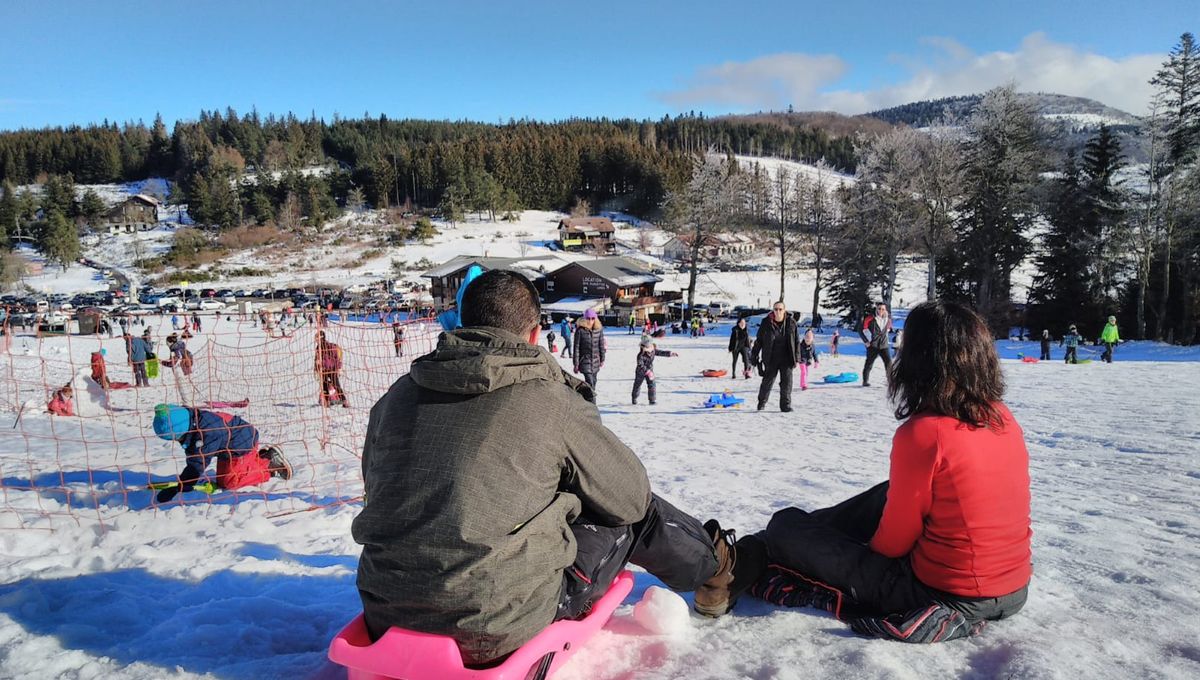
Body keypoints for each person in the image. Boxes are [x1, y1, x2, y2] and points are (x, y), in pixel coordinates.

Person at [352, 269, 736, 666]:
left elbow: (375, 484)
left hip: (384, 611)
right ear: (535, 335)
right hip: (493, 626)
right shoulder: (549, 400)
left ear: (464, 324)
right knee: (629, 508)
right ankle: (715, 567)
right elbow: (631, 500)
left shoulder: (397, 395)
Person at [722, 301, 1032, 644]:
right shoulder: (1002, 417)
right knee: (889, 492)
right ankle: (798, 535)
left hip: (938, 592)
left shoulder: (925, 434)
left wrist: (847, 552)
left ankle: (771, 545)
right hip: (1014, 589)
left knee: (784, 524)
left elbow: (891, 545)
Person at [151, 403, 291, 503]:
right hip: (229, 445)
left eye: (177, 438)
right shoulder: (193, 419)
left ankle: (268, 465)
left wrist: (181, 487)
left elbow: (197, 463)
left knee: (229, 483)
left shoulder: (206, 434)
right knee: (223, 478)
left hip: (242, 444)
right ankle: (255, 460)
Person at [751, 301, 799, 412]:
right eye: (775, 309)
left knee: (787, 382)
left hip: (787, 357)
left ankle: (785, 405)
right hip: (771, 357)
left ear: (784, 311)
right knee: (767, 382)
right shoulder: (766, 322)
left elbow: (796, 341)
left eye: (780, 309)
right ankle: (761, 403)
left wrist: (797, 357)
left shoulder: (791, 323)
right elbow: (759, 341)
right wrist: (754, 355)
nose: (778, 312)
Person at [632, 337, 677, 405]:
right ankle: (634, 398)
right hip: (640, 372)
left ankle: (652, 400)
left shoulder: (652, 350)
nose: (650, 345)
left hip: (650, 370)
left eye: (650, 343)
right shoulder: (640, 354)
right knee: (637, 385)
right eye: (648, 343)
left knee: (652, 385)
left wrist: (670, 353)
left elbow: (661, 352)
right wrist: (647, 372)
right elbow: (640, 365)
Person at [860, 302, 893, 387]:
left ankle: (890, 381)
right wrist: (866, 341)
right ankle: (865, 381)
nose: (881, 310)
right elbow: (860, 330)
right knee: (869, 363)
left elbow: (888, 330)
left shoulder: (888, 319)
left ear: (885, 310)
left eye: (883, 309)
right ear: (876, 309)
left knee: (888, 363)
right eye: (879, 308)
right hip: (873, 345)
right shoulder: (870, 318)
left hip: (884, 345)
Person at [572, 308, 606, 390]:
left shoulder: (598, 330)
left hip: (595, 361)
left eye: (593, 318)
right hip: (584, 361)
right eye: (588, 318)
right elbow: (576, 348)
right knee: (590, 383)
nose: (590, 320)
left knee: (593, 382)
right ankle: (592, 402)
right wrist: (576, 364)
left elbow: (601, 345)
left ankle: (587, 400)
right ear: (585, 318)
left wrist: (602, 359)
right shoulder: (580, 331)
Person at [315, 330, 349, 407]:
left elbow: (338, 358)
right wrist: (316, 368)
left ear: (321, 338)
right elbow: (317, 359)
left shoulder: (331, 346)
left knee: (336, 385)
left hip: (332, 369)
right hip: (323, 370)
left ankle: (344, 401)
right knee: (325, 386)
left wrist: (339, 368)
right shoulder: (318, 348)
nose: (316, 340)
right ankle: (327, 402)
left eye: (317, 338)